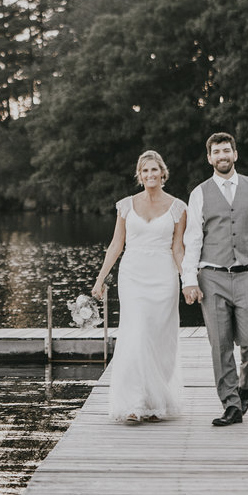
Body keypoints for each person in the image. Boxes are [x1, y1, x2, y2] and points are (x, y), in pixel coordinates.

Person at [181, 132, 248, 427]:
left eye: (227, 150)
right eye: (216, 152)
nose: (222, 156)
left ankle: (244, 385)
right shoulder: (199, 193)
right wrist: (189, 279)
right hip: (211, 276)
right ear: (209, 158)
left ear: (235, 154)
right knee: (220, 344)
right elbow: (193, 239)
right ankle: (231, 405)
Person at [92, 150, 187, 423]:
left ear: (163, 173)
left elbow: (178, 249)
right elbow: (115, 245)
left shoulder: (178, 208)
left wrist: (188, 282)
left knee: (160, 339)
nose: (150, 175)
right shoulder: (125, 206)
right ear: (139, 175)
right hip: (133, 276)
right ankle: (133, 403)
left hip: (164, 276)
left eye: (154, 170)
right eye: (145, 171)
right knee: (136, 335)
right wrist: (100, 280)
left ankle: (154, 401)